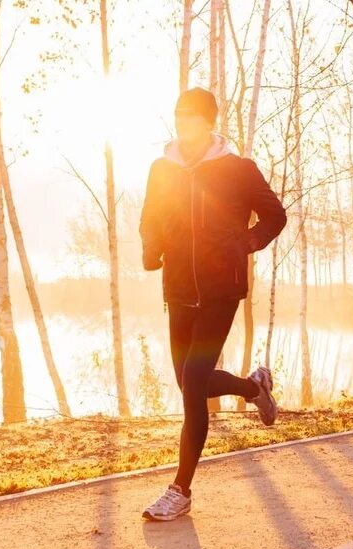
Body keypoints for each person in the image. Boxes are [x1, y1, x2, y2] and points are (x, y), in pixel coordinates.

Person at [138, 87, 288, 522]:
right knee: (190, 385)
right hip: (179, 287)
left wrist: (248, 242)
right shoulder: (161, 169)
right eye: (178, 114)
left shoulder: (238, 170)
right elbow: (150, 215)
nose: (182, 123)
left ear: (208, 122)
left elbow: (275, 215)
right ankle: (252, 387)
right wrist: (151, 246)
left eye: (190, 116)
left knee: (194, 384)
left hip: (222, 288)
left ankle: (180, 489)